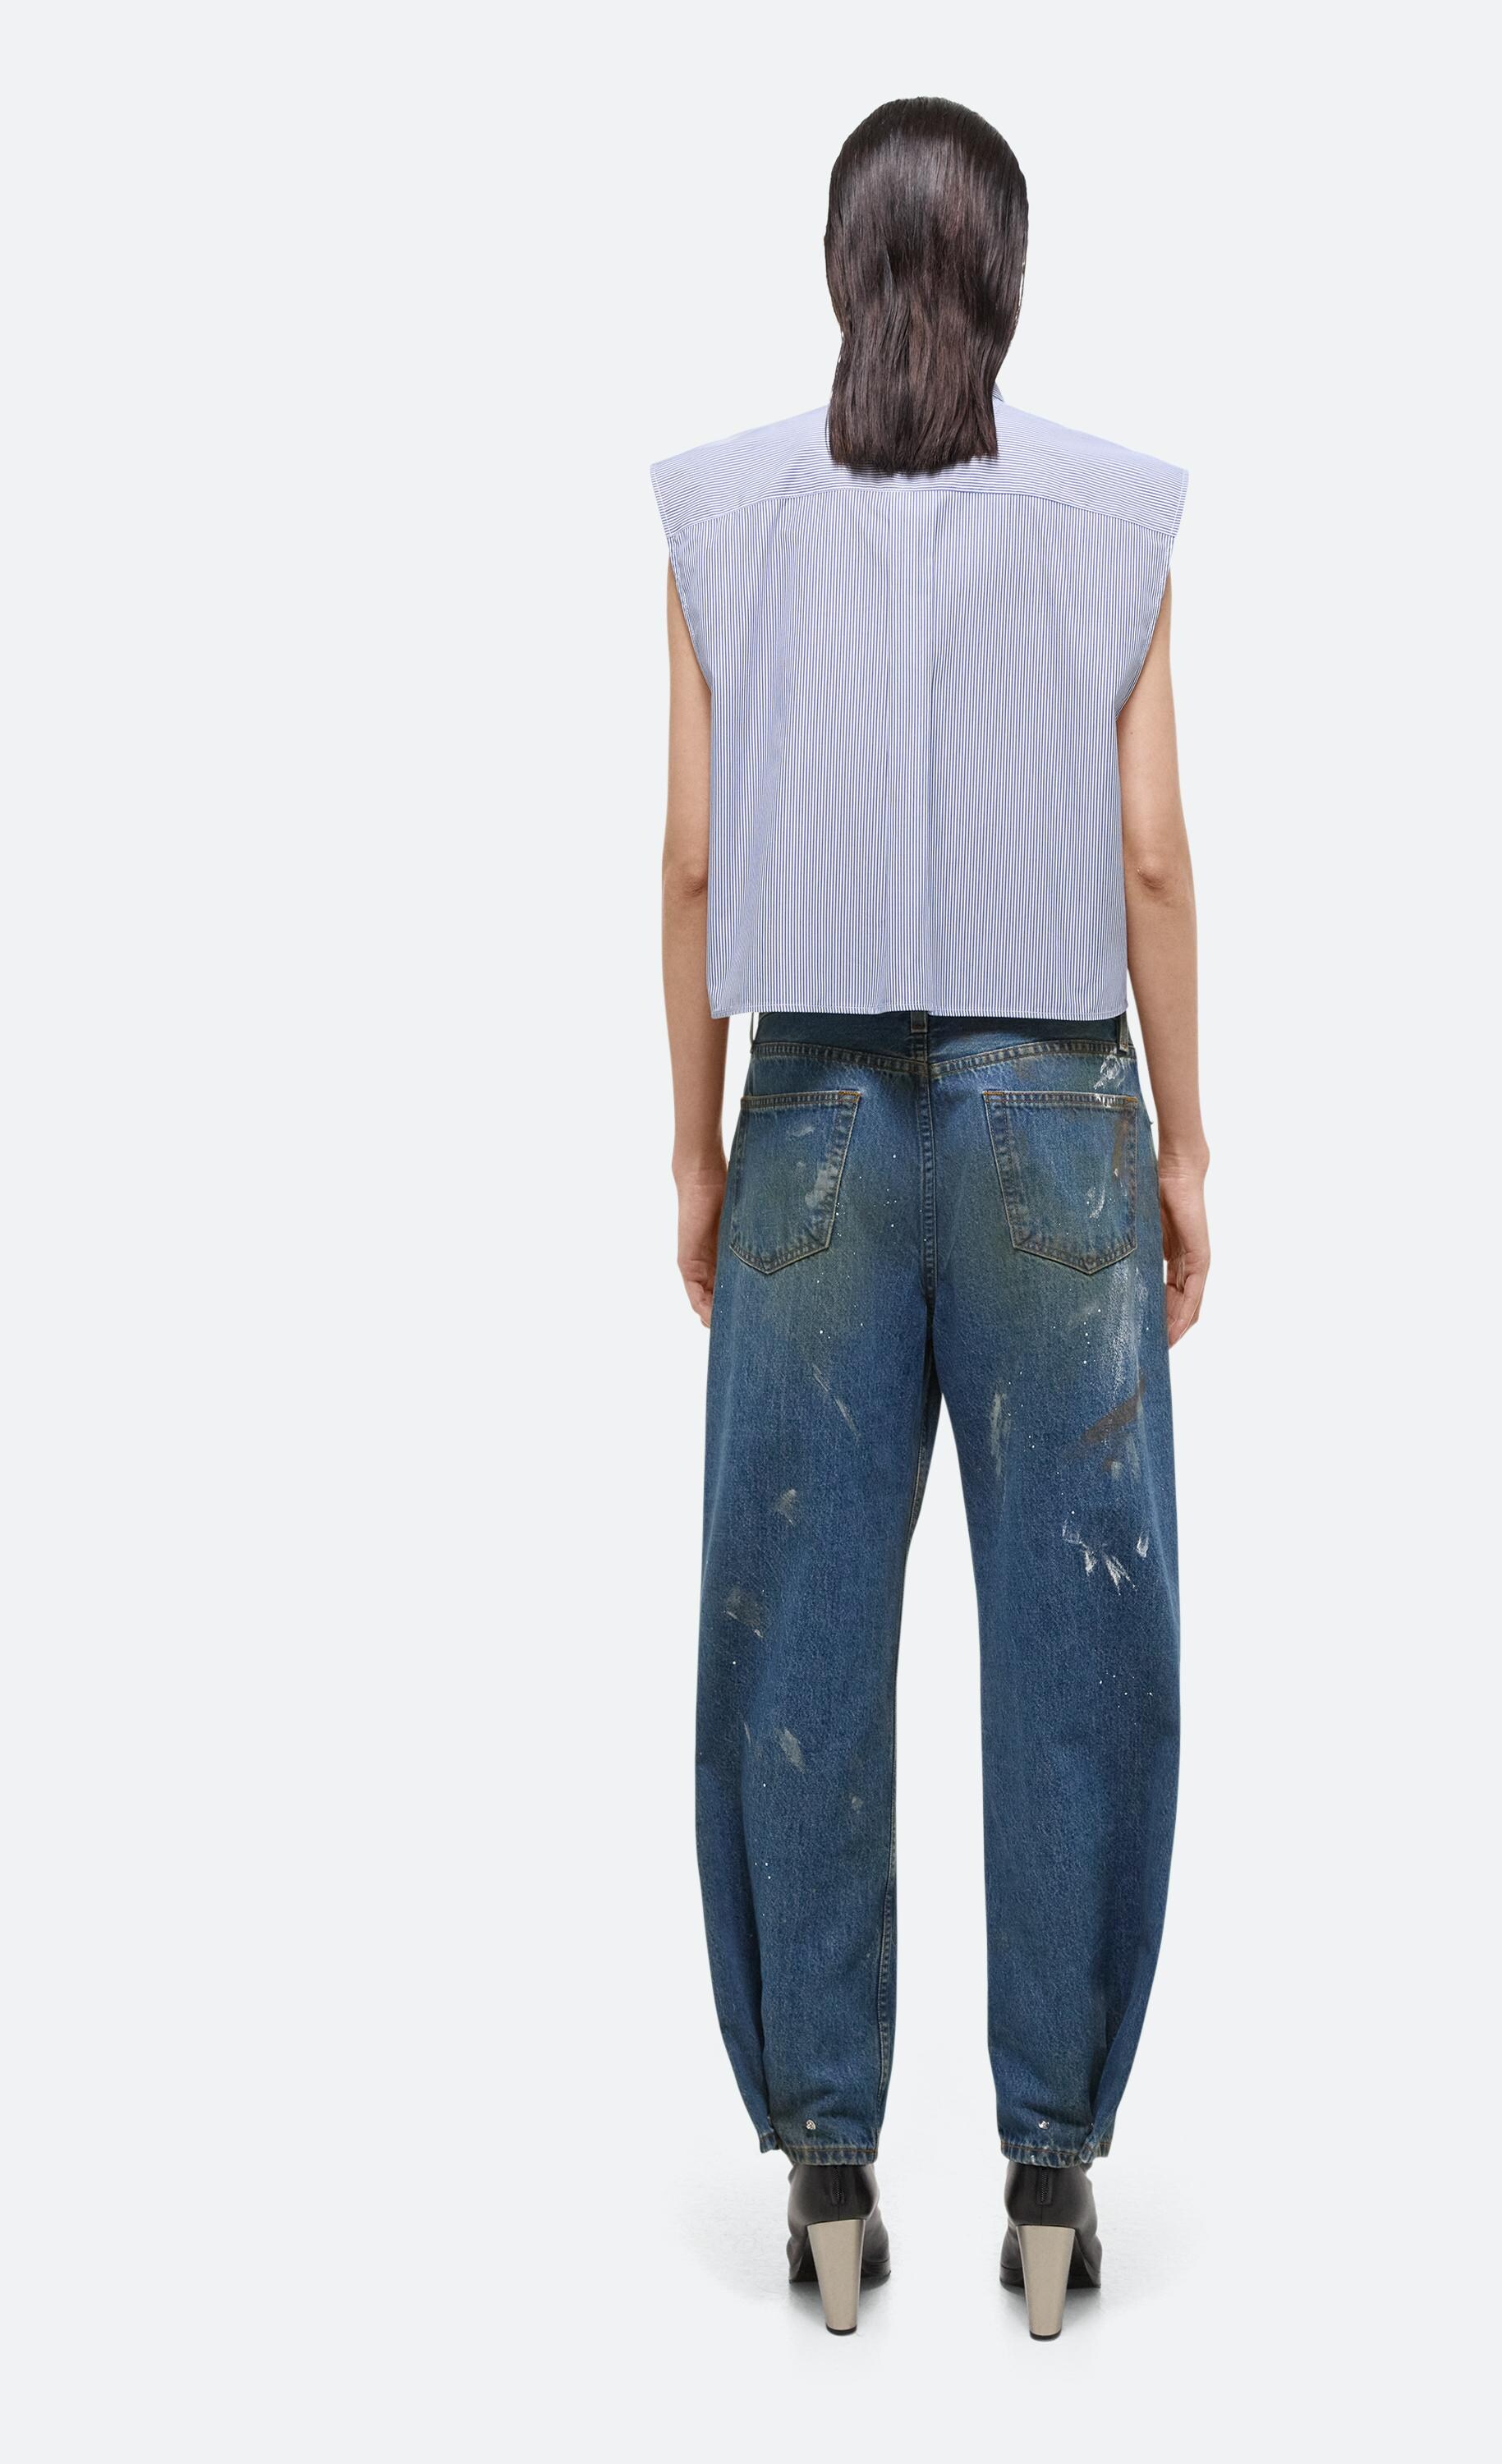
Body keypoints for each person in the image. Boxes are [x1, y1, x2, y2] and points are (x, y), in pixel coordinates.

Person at [652, 96, 1210, 2341]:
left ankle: (825, 2171)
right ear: (1008, 277)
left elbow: (689, 863)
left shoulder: (721, 517)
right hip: (1052, 1114)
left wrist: (694, 1152)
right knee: (1082, 1638)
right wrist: (1188, 1155)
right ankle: (1053, 2177)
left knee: (791, 1629)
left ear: (838, 269)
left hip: (808, 1117)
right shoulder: (1113, 516)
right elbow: (1152, 854)